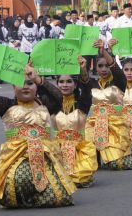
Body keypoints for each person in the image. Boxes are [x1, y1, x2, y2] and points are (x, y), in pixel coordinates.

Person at [0, 54, 76, 208]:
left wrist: (39, 79)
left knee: (61, 198)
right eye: (20, 83)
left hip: (45, 157)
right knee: (20, 177)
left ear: (36, 87)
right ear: (13, 87)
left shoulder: (45, 104)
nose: (26, 86)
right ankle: (23, 198)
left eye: (30, 83)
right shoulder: (6, 106)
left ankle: (34, 199)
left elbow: (59, 97)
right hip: (17, 156)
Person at [31, 57, 98, 188]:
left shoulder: (82, 103)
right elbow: (42, 90)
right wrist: (34, 76)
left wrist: (83, 70)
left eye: (69, 81)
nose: (65, 85)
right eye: (61, 82)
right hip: (57, 150)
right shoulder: (52, 103)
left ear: (75, 84)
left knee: (80, 179)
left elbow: (86, 88)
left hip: (79, 150)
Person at [85, 39, 132, 170]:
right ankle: (95, 157)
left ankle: (113, 154)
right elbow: (82, 78)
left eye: (106, 66)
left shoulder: (119, 82)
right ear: (95, 67)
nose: (103, 69)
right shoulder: (92, 83)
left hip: (115, 125)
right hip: (94, 124)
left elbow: (116, 70)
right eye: (100, 66)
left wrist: (105, 51)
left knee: (118, 164)